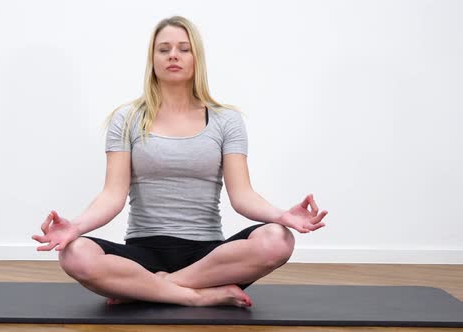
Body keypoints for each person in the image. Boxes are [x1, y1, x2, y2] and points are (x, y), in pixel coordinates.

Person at [32, 16, 328, 308]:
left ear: (196, 57)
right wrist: (76, 227)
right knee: (73, 253)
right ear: (153, 59)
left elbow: (243, 196)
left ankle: (148, 288)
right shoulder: (128, 119)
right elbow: (112, 195)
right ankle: (196, 296)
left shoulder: (226, 120)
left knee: (278, 239)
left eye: (183, 49)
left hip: (209, 257)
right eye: (164, 49)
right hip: (143, 252)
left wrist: (281, 216)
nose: (173, 55)